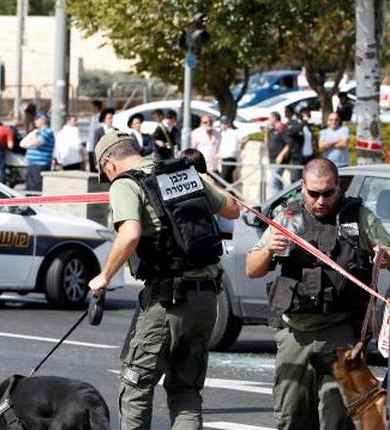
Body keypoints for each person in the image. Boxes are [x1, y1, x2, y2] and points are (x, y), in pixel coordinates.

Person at [88, 131, 240, 430]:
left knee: (136, 385)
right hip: (207, 298)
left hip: (167, 300)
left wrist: (103, 277)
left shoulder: (126, 183)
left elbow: (129, 234)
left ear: (109, 163)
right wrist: (196, 178)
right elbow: (232, 209)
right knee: (185, 388)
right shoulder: (180, 171)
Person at [245, 157, 390, 430]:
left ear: (338, 188)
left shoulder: (357, 216)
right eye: (314, 193)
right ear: (302, 187)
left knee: (338, 418)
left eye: (328, 193)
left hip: (341, 334)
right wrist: (268, 248)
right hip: (295, 334)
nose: (321, 201)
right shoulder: (287, 216)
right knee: (292, 416)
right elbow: (252, 269)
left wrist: (388, 256)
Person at [21, 112, 55, 192]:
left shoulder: (47, 131)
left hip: (40, 165)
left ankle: (35, 204)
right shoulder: (37, 132)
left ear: (43, 120)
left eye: (37, 119)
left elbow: (36, 142)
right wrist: (32, 134)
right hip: (33, 165)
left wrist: (30, 143)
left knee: (36, 189)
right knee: (30, 189)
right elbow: (22, 144)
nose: (35, 121)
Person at [216, 115, 244, 184]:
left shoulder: (232, 133)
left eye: (224, 123)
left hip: (230, 159)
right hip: (225, 159)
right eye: (222, 123)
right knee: (228, 180)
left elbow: (232, 148)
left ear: (228, 124)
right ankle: (232, 194)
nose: (222, 125)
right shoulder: (223, 133)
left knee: (222, 180)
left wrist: (220, 154)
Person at [264, 112, 286, 194]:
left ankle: (276, 205)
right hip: (272, 160)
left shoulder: (283, 128)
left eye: (270, 118)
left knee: (274, 183)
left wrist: (281, 155)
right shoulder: (272, 130)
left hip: (279, 160)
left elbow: (289, 143)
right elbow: (267, 145)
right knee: (277, 183)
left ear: (274, 118)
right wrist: (266, 133)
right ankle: (281, 204)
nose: (269, 120)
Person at [86, 100, 103, 172]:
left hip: (96, 146)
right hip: (91, 146)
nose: (91, 108)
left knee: (96, 169)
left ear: (96, 107)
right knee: (92, 168)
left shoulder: (100, 118)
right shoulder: (93, 118)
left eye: (92, 107)